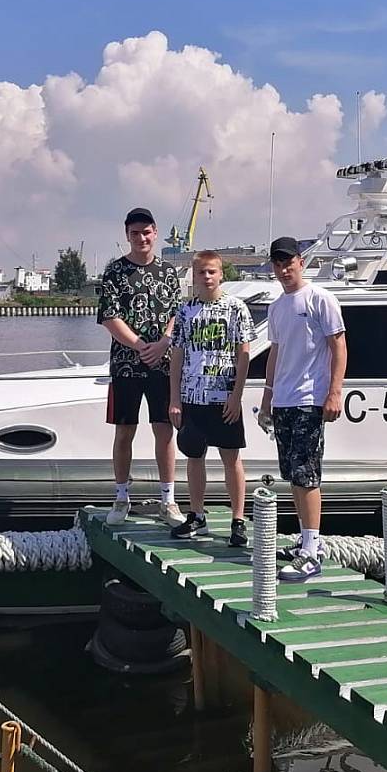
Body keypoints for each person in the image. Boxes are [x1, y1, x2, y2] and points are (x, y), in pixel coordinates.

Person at [257, 236, 346, 582]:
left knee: (307, 475)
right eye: (278, 264)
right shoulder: (277, 307)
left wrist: (334, 393)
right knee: (293, 474)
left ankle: (311, 552)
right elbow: (275, 353)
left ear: (300, 262)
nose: (283, 270)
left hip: (310, 399)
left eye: (288, 263)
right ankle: (306, 541)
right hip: (283, 400)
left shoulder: (320, 299)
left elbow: (338, 346)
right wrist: (267, 398)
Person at [96, 207, 183, 527]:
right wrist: (140, 345)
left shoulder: (168, 272)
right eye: (135, 233)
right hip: (126, 366)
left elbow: (177, 314)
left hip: (163, 364)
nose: (141, 238)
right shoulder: (114, 272)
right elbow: (110, 317)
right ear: (127, 235)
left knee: (164, 430)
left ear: (155, 233)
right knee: (124, 432)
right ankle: (121, 497)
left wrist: (163, 343)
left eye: (146, 232)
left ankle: (168, 500)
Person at [167, 250, 255, 546]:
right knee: (194, 457)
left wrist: (236, 395)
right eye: (201, 272)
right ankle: (196, 515)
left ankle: (238, 520)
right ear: (194, 276)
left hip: (224, 397)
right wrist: (174, 399)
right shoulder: (185, 311)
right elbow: (177, 356)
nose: (207, 277)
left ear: (221, 274)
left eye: (212, 271)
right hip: (193, 396)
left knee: (231, 457)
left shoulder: (236, 308)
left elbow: (244, 354)